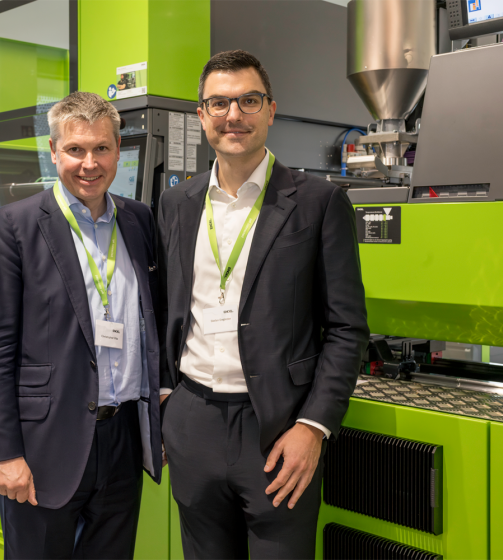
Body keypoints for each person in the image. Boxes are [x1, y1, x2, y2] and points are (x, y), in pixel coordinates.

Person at [157, 50, 369, 559]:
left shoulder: (318, 201)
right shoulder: (176, 203)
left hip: (277, 430)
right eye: (219, 103)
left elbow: (347, 328)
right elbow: (163, 308)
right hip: (192, 422)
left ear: (270, 110)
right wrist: (166, 401)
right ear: (202, 114)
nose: (234, 115)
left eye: (248, 101)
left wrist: (313, 426)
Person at [0, 91, 164, 560]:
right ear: (54, 151)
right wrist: (3, 452)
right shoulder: (14, 225)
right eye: (75, 149)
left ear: (118, 150)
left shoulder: (138, 220)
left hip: (123, 438)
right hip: (44, 444)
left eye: (101, 148)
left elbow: (155, 320)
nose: (89, 164)